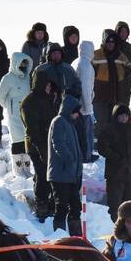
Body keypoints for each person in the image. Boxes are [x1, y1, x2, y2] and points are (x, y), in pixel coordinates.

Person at [97, 104, 131, 220]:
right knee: (114, 205)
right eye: (121, 116)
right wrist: (115, 157)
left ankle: (127, 231)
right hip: (114, 174)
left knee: (128, 206)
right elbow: (102, 147)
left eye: (126, 116)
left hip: (129, 174)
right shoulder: (109, 129)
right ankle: (114, 228)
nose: (123, 118)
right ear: (116, 116)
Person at [21, 74, 58, 222]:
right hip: (36, 145)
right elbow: (32, 130)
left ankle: (48, 203)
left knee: (48, 175)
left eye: (51, 85)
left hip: (49, 143)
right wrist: (42, 148)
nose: (49, 88)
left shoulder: (48, 100)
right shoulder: (29, 102)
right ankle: (41, 204)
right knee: (42, 174)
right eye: (47, 85)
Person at [48, 94, 85, 235]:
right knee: (61, 207)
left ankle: (76, 239)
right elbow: (58, 144)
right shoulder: (59, 122)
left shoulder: (70, 125)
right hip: (61, 175)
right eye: (75, 111)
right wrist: (70, 159)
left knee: (75, 207)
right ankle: (61, 239)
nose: (77, 115)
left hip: (71, 175)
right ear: (69, 109)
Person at [0, 51, 34, 162]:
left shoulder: (28, 78)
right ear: (15, 63)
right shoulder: (7, 78)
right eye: (21, 63)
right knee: (17, 141)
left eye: (25, 63)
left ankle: (26, 170)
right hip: (14, 115)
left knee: (27, 140)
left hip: (27, 114)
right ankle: (18, 171)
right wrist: (10, 107)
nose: (23, 66)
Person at [91, 30, 131, 126]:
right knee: (100, 124)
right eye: (108, 42)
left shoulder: (120, 56)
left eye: (113, 42)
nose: (110, 44)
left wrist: (122, 76)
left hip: (116, 97)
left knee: (114, 124)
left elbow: (130, 68)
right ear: (104, 42)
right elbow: (89, 69)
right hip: (99, 97)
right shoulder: (96, 54)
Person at [75, 40, 97, 161]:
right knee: (86, 133)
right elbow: (85, 87)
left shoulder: (78, 62)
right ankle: (86, 155)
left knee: (82, 133)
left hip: (78, 103)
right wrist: (88, 106)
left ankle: (86, 153)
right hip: (84, 105)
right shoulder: (85, 65)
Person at [114, 21, 131, 104]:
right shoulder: (112, 45)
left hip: (125, 87)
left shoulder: (129, 48)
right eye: (121, 31)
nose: (123, 34)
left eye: (125, 32)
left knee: (123, 112)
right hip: (112, 88)